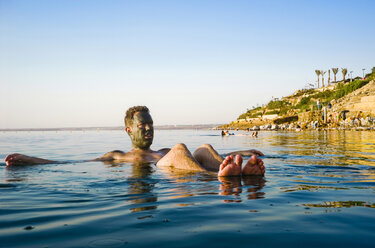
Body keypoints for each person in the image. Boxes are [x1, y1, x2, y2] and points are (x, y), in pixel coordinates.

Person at [5, 106, 265, 177]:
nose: (149, 130)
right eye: (143, 126)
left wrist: (243, 150)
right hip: (177, 173)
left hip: (186, 171)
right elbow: (68, 162)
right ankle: (225, 177)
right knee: (179, 149)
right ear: (129, 130)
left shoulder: (162, 150)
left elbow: (206, 153)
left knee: (203, 148)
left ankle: (234, 171)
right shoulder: (118, 156)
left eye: (151, 125)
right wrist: (29, 159)